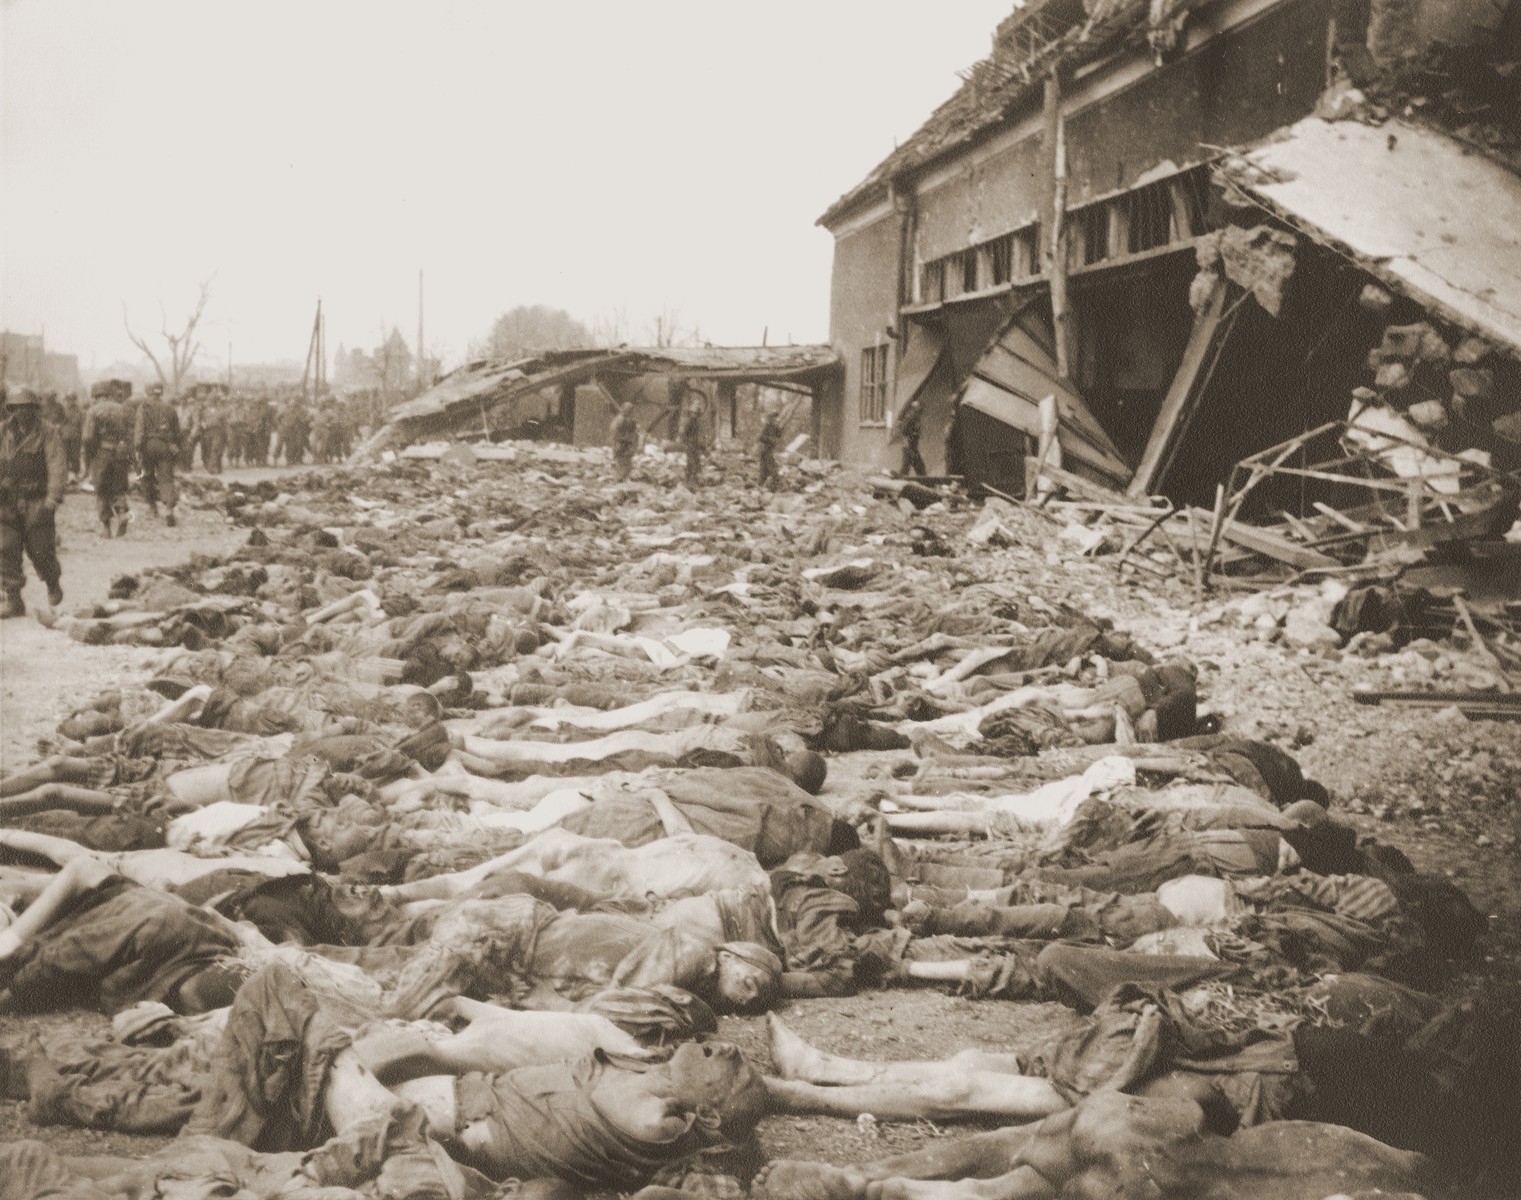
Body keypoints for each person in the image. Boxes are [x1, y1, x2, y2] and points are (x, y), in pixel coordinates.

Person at [0, 387, 66, 617]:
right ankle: (14, 600)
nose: (22, 413)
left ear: (35, 409)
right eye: (17, 409)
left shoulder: (47, 432)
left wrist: (53, 499)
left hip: (36, 501)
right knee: (6, 549)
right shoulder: (3, 432)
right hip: (6, 501)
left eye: (27, 408)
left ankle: (52, 582)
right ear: (11, 410)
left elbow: (57, 465)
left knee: (41, 550)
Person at [82, 380, 134, 536]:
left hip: (102, 453)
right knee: (118, 487)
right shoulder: (123, 409)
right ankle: (123, 513)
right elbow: (130, 434)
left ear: (95, 395)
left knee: (102, 490)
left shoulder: (93, 411)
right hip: (120, 453)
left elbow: (88, 438)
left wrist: (89, 456)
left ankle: (106, 527)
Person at [133, 381, 181, 526]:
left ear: (148, 392)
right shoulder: (170, 407)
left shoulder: (144, 407)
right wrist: (174, 446)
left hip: (148, 445)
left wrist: (137, 448)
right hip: (165, 446)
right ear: (161, 392)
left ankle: (151, 507)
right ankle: (168, 509)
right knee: (166, 478)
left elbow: (139, 430)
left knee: (147, 476)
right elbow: (177, 431)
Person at [679, 387, 708, 488]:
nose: (695, 415)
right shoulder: (689, 421)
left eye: (697, 413)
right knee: (691, 464)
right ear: (691, 412)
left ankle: (692, 480)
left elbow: (699, 434)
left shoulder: (696, 422)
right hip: (690, 445)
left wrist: (702, 444)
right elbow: (683, 434)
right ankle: (689, 482)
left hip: (694, 445)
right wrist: (687, 443)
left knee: (696, 463)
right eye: (693, 413)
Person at [896, 394, 926, 477]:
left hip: (912, 446)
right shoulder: (911, 417)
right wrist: (908, 445)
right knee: (910, 467)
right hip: (909, 446)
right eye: (920, 409)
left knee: (915, 467)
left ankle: (923, 482)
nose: (921, 411)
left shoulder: (915, 417)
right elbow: (903, 431)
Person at [757, 401, 784, 489]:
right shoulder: (766, 426)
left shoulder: (776, 427)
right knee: (767, 467)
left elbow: (779, 435)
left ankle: (767, 484)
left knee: (768, 467)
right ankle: (767, 484)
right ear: (770, 418)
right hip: (764, 449)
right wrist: (770, 439)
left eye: (776, 418)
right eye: (773, 418)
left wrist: (780, 428)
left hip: (769, 449)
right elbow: (760, 437)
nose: (775, 419)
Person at [611, 401, 639, 482]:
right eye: (627, 409)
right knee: (621, 462)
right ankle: (619, 478)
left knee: (626, 462)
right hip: (621, 443)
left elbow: (634, 433)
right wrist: (618, 442)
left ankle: (621, 478)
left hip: (626, 444)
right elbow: (614, 432)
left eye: (630, 410)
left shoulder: (630, 420)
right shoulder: (619, 420)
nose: (629, 411)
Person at [59, 392, 84, 481]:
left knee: (75, 455)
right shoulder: (63, 409)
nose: (70, 401)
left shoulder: (79, 410)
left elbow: (81, 423)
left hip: (75, 435)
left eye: (72, 399)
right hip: (65, 435)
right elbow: (60, 422)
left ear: (74, 400)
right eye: (69, 399)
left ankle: (75, 473)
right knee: (65, 455)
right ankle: (65, 474)